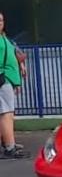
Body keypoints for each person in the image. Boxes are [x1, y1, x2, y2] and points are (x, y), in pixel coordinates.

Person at [0, 12, 29, 159]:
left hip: (8, 79)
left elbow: (15, 53)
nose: (0, 23)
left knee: (6, 113)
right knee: (6, 114)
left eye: (1, 20)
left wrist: (21, 65)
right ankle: (9, 147)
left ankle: (7, 143)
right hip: (2, 79)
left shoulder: (5, 39)